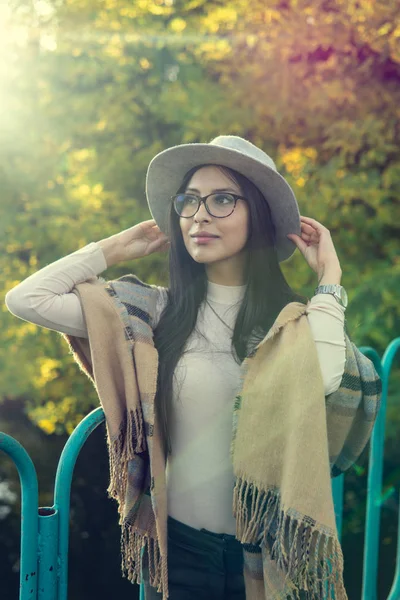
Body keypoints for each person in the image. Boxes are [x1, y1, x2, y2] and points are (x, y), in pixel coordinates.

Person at [5, 135, 380, 600]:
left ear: (258, 217)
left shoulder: (293, 320)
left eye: (223, 199)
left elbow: (325, 381)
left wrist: (329, 281)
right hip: (183, 555)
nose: (200, 214)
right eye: (190, 201)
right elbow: (27, 299)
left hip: (270, 558)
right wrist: (113, 248)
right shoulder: (156, 313)